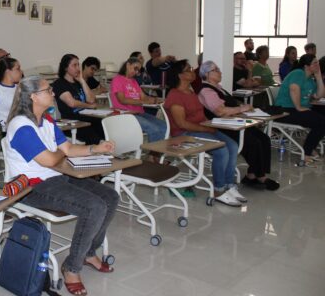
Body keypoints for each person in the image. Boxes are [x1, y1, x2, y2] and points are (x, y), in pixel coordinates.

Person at [4, 76, 118, 296]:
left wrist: (96, 148)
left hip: (56, 177)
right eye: (48, 90)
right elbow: (49, 159)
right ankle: (71, 268)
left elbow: (68, 149)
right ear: (34, 97)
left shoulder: (46, 119)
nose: (53, 93)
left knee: (110, 197)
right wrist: (61, 153)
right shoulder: (21, 126)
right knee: (94, 206)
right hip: (32, 188)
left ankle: (88, 253)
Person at [164, 60, 245, 207]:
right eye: (189, 69)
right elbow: (182, 124)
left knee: (232, 146)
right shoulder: (175, 95)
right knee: (221, 150)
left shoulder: (191, 92)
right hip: (184, 134)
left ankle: (229, 185)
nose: (193, 71)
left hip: (202, 128)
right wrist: (207, 129)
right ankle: (219, 190)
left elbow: (201, 116)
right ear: (180, 75)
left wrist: (213, 124)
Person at [197, 61, 279, 190]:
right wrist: (241, 109)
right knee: (253, 142)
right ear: (206, 74)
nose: (220, 72)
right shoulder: (206, 91)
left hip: (233, 122)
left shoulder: (219, 88)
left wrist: (244, 108)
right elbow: (220, 111)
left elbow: (231, 105)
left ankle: (252, 175)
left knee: (263, 138)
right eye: (216, 70)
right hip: (222, 127)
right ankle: (260, 176)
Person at [274, 54, 325, 165]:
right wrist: (299, 107)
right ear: (306, 66)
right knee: (321, 121)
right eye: (315, 63)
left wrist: (319, 77)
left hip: (298, 109)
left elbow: (319, 95)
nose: (318, 65)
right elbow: (294, 89)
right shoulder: (298, 73)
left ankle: (310, 147)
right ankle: (307, 152)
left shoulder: (310, 80)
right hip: (285, 110)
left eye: (318, 62)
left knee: (321, 118)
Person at [110, 58, 166, 143]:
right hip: (125, 114)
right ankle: (154, 151)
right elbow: (122, 100)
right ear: (128, 65)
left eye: (138, 70)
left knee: (164, 126)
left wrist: (156, 100)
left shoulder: (134, 81)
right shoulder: (117, 79)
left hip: (138, 113)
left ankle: (157, 150)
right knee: (154, 129)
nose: (136, 72)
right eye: (135, 68)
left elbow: (144, 97)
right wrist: (144, 102)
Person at [52, 54, 104, 144]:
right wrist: (89, 106)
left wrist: (82, 81)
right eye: (74, 65)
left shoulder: (78, 82)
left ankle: (104, 146)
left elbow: (91, 100)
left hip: (85, 116)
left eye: (78, 65)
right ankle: (99, 146)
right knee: (93, 132)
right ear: (65, 68)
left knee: (103, 123)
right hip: (71, 120)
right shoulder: (59, 84)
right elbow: (72, 103)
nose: (78, 68)